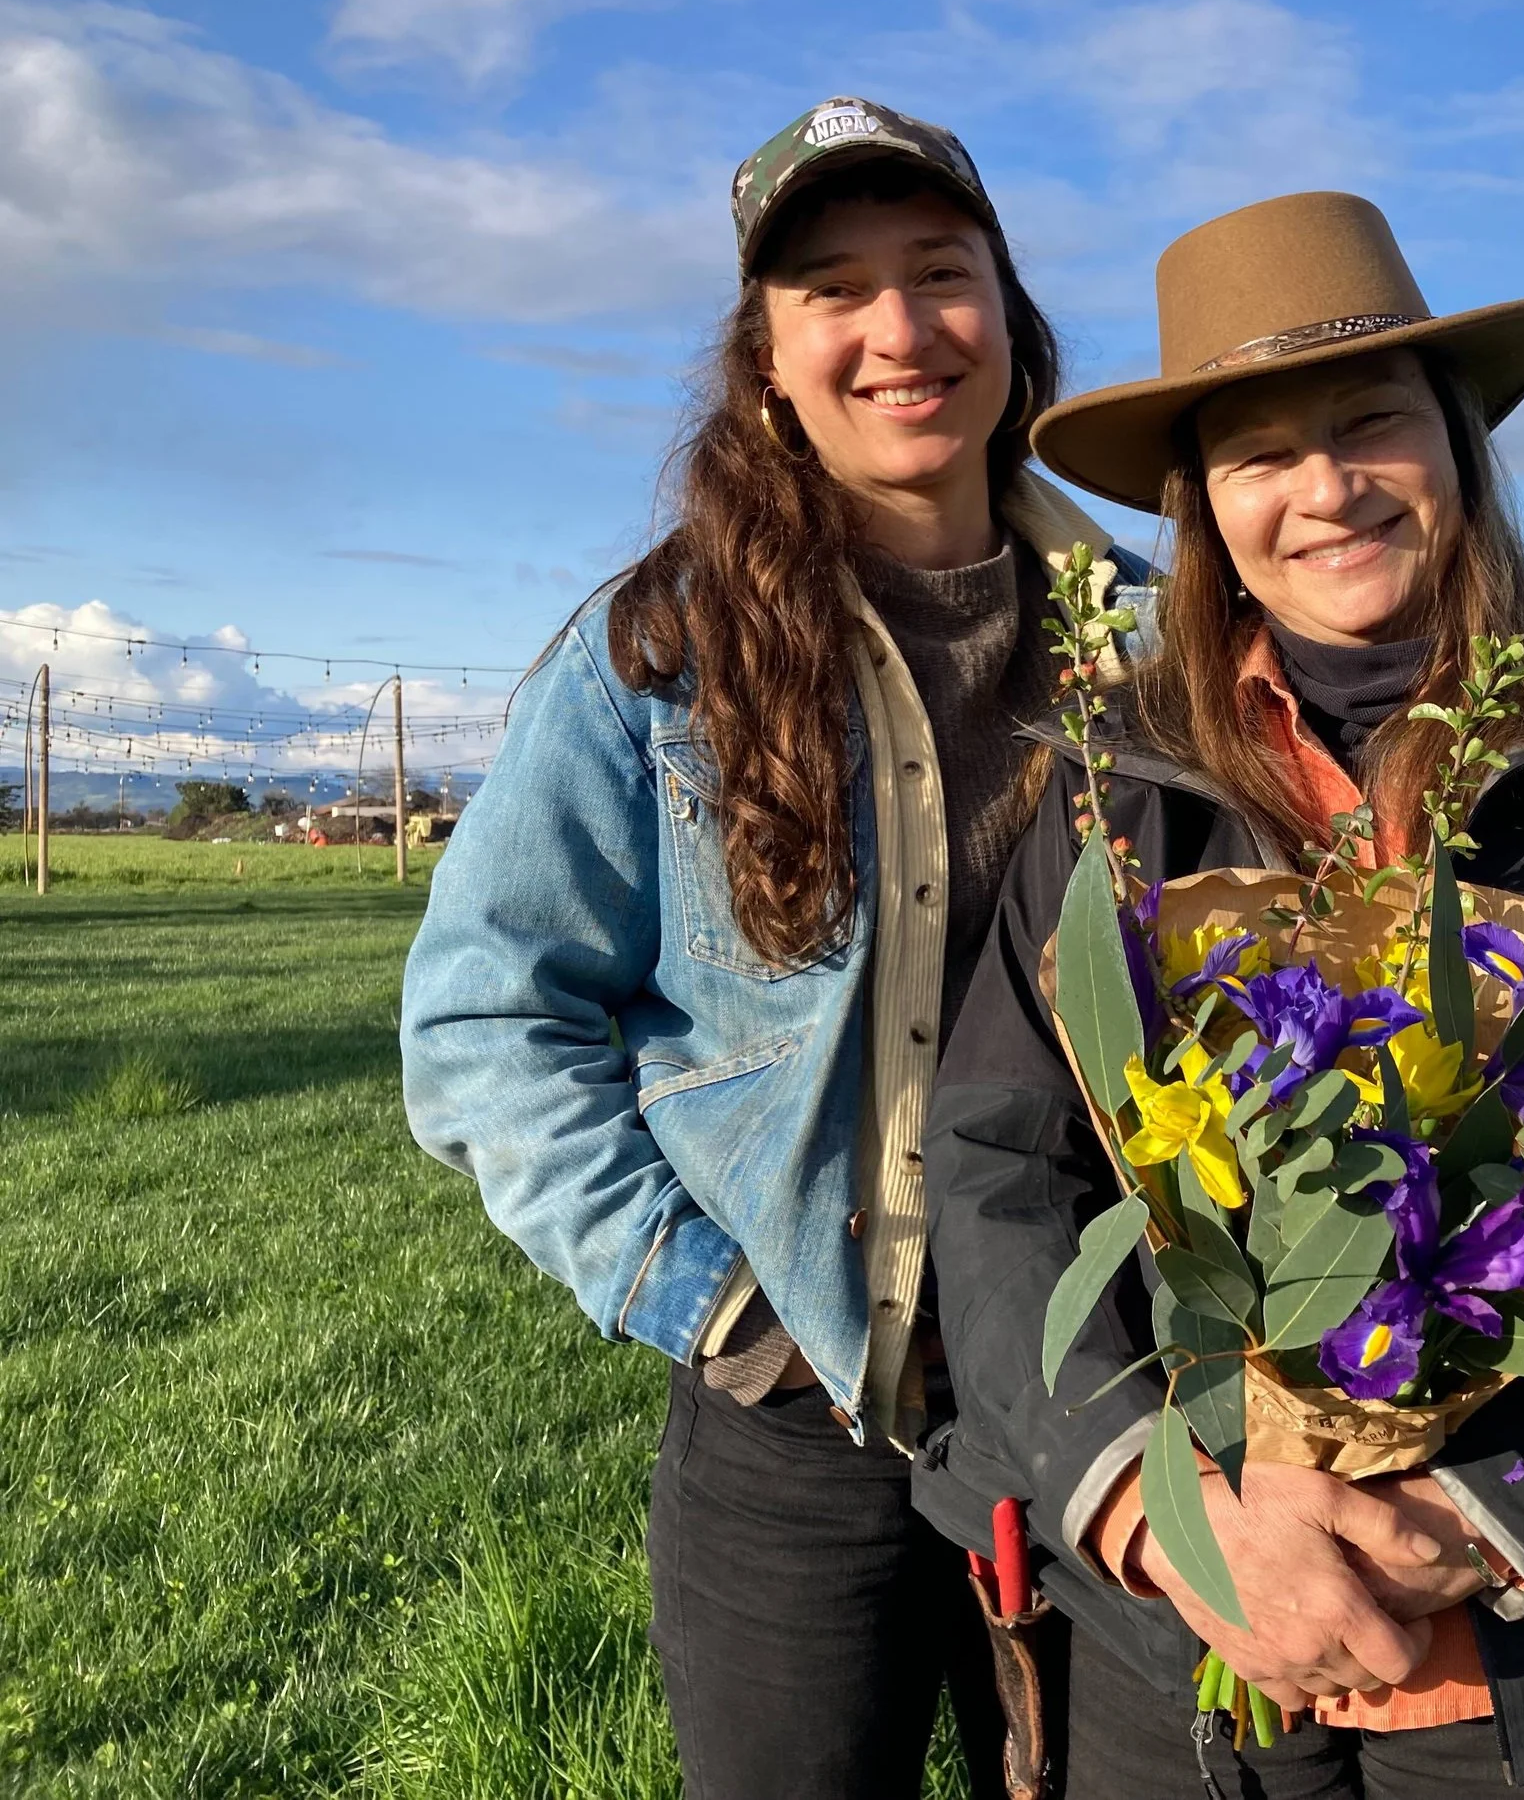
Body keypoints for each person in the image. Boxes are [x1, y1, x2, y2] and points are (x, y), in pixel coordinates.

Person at [912, 192, 1524, 1796]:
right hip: (1194, 1631)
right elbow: (1000, 1164)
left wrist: (1490, 1511)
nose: (1324, 490)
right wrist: (1152, 1506)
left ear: (1456, 443)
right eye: (1260, 453)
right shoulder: (1116, 772)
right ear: (1201, 505)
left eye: (1370, 424)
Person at [400, 97, 1150, 1798]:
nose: (898, 330)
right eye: (832, 288)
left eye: (939, 273)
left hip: (1125, 1401)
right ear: (768, 358)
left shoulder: (1157, 640)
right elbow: (484, 1024)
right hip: (805, 1422)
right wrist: (726, 1310)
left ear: (1010, 325)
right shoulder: (655, 654)